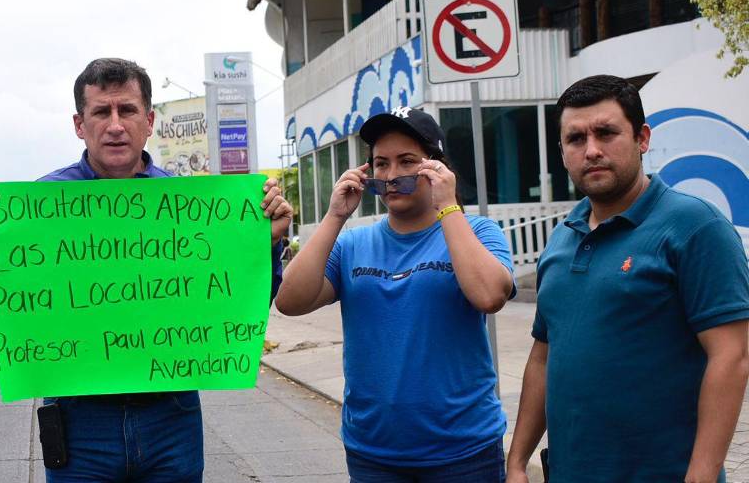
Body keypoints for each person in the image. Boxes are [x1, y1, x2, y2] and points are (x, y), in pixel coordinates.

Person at [0, 57, 293, 482]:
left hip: (171, 415)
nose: (115, 124)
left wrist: (268, 244)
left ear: (149, 121)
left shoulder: (196, 208)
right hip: (81, 421)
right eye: (101, 112)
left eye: (127, 110)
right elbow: (3, 322)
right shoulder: (34, 211)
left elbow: (243, 305)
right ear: (80, 124)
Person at [506, 75, 749, 483]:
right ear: (563, 152)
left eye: (606, 133)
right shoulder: (562, 238)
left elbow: (732, 357)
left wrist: (702, 474)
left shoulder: (694, 226)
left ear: (642, 138)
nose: (592, 150)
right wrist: (516, 462)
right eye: (576, 139)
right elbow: (543, 359)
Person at [277, 106, 514, 482]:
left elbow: (489, 295)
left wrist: (447, 205)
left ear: (436, 167)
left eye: (407, 162)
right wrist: (335, 215)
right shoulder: (352, 243)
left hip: (464, 452)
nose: (392, 176)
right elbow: (291, 301)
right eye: (381, 164)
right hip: (374, 454)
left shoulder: (478, 232)